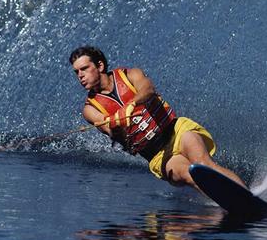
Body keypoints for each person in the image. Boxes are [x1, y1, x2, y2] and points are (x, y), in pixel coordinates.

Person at [69, 46, 245, 189]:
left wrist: (130, 105)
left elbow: (148, 90)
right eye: (77, 72)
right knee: (190, 174)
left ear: (99, 66)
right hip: (157, 155)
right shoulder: (91, 108)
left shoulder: (130, 74)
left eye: (84, 69)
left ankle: (247, 197)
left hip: (176, 131)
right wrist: (116, 123)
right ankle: (225, 202)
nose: (80, 76)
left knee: (204, 165)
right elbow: (110, 130)